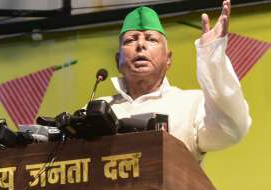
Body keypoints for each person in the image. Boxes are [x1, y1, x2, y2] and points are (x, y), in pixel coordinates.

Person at [98, 0, 251, 161]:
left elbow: (230, 129)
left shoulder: (190, 104)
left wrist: (211, 55)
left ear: (168, 59)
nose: (141, 44)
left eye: (151, 39)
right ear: (117, 60)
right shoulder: (99, 110)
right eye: (131, 40)